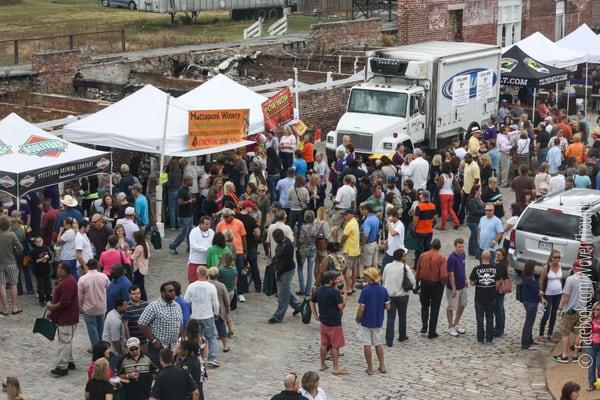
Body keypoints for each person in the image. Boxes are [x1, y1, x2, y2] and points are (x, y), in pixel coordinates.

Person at [553, 260, 594, 363]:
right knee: (578, 333)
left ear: (574, 267)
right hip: (582, 311)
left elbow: (566, 296)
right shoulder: (588, 280)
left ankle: (564, 356)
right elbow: (592, 296)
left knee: (565, 333)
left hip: (570, 311)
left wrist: (560, 309)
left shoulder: (570, 279)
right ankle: (575, 356)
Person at [138, 282, 184, 366]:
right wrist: (154, 340)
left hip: (173, 347)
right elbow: (141, 324)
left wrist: (180, 342)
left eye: (174, 290)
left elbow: (180, 324)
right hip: (158, 347)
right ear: (163, 293)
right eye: (170, 291)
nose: (173, 293)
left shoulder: (177, 306)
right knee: (158, 371)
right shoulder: (153, 306)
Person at [310, 270, 347, 375]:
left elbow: (312, 301)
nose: (338, 279)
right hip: (334, 323)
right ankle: (335, 368)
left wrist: (315, 314)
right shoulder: (334, 292)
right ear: (331, 281)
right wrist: (344, 300)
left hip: (323, 322)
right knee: (335, 346)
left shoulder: (319, 289)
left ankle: (322, 364)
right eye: (336, 278)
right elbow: (340, 307)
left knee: (324, 344)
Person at [47, 262, 79, 376]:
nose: (57, 270)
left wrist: (52, 307)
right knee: (67, 340)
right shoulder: (67, 280)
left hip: (67, 317)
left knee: (64, 341)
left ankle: (62, 366)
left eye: (59, 269)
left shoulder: (68, 282)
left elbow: (65, 302)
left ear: (64, 270)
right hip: (66, 317)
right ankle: (69, 361)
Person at [356, 267, 390, 375]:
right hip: (378, 321)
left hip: (366, 321)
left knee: (367, 345)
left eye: (365, 276)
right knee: (378, 344)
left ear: (370, 278)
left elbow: (361, 308)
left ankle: (370, 368)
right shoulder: (383, 290)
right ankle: (382, 365)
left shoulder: (365, 291)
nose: (364, 277)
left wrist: (357, 318)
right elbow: (388, 306)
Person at [184, 265, 220, 368]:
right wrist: (216, 313)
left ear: (197, 274)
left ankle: (198, 355)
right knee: (211, 336)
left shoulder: (192, 286)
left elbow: (186, 300)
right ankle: (212, 358)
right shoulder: (211, 287)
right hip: (208, 315)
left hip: (195, 315)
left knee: (196, 336)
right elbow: (216, 303)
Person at [382, 248, 415, 346]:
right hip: (402, 295)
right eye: (404, 255)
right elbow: (412, 281)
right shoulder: (405, 267)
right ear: (401, 257)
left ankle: (389, 339)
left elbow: (383, 279)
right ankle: (402, 335)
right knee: (402, 316)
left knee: (390, 318)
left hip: (390, 296)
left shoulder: (387, 266)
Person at [416, 239, 447, 339]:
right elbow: (443, 275)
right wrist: (443, 284)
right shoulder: (441, 258)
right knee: (435, 308)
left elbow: (418, 270)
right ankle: (432, 331)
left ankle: (424, 326)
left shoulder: (423, 255)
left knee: (424, 306)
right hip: (436, 284)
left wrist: (417, 282)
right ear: (440, 247)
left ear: (431, 246)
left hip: (424, 283)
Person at [269, 228, 302, 324]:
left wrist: (279, 273)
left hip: (286, 271)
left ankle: (278, 316)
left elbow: (287, 263)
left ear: (280, 237)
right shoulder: (282, 243)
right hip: (282, 269)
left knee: (283, 295)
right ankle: (299, 306)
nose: (275, 240)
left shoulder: (288, 246)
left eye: (276, 238)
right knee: (286, 291)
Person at [216, 208, 248, 302]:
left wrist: (245, 251)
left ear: (232, 215)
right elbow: (217, 238)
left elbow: (243, 237)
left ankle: (240, 292)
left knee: (239, 272)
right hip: (225, 253)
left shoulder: (239, 223)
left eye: (227, 217)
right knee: (225, 273)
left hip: (238, 251)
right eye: (224, 217)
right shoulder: (220, 224)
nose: (225, 219)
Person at [78, 259, 109, 348]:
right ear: (97, 266)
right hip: (101, 307)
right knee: (101, 328)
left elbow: (80, 296)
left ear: (87, 266)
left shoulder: (82, 279)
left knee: (92, 329)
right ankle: (102, 346)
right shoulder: (104, 277)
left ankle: (96, 347)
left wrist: (80, 307)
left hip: (89, 308)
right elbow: (108, 289)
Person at [469, 251, 497, 343]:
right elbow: (499, 281)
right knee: (490, 318)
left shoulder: (476, 269)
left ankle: (480, 337)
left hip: (479, 297)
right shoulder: (494, 268)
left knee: (479, 318)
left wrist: (478, 281)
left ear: (481, 257)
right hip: (491, 297)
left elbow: (472, 283)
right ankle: (489, 337)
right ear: (489, 258)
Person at [0, 214, 23, 315]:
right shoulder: (11, 234)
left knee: (1, 285)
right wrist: (14, 250)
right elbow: (21, 248)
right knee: (14, 284)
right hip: (11, 263)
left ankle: (4, 309)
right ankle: (14, 307)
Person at [539, 250, 564, 341]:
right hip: (548, 294)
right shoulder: (546, 267)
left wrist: (561, 290)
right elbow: (541, 281)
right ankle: (541, 333)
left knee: (554, 314)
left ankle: (550, 333)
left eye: (559, 257)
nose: (557, 259)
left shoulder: (560, 266)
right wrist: (541, 293)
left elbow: (560, 279)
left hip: (558, 293)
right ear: (551, 258)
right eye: (555, 257)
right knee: (546, 314)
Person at [446, 238, 467, 337]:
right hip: (453, 287)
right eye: (459, 247)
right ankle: (450, 326)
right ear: (455, 246)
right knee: (451, 306)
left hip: (462, 286)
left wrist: (465, 279)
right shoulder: (451, 258)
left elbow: (463, 268)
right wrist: (453, 288)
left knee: (462, 305)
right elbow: (451, 274)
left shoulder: (463, 255)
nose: (461, 249)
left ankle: (456, 323)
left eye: (462, 246)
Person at [169, 176, 196, 255]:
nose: (192, 182)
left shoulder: (187, 190)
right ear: (186, 181)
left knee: (190, 232)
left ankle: (189, 247)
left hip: (189, 214)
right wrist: (190, 201)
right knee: (184, 232)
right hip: (184, 216)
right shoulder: (181, 191)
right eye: (191, 180)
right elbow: (179, 202)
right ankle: (173, 245)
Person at [208, 266, 231, 352]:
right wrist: (228, 310)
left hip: (208, 311)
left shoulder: (207, 285)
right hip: (219, 311)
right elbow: (226, 300)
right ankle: (225, 346)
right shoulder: (221, 286)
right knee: (221, 328)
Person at [102, 297, 128, 369]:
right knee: (114, 370)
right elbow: (115, 340)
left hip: (109, 349)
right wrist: (120, 353)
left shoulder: (111, 313)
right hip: (113, 352)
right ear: (119, 307)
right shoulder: (115, 320)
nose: (127, 307)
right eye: (125, 306)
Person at [188, 216, 214, 284]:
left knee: (206, 282)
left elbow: (213, 244)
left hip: (206, 261)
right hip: (195, 261)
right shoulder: (194, 232)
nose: (209, 226)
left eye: (209, 224)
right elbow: (193, 246)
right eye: (207, 224)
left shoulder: (211, 232)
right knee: (193, 281)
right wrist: (207, 249)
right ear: (201, 224)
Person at [297, 210, 317, 296]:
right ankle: (308, 290)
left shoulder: (303, 227)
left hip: (304, 249)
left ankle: (302, 288)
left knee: (300, 268)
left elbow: (301, 240)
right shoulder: (315, 226)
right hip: (312, 249)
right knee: (310, 270)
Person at [124, 285, 148, 352]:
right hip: (134, 342)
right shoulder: (126, 308)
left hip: (145, 340)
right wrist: (129, 340)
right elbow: (125, 326)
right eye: (133, 294)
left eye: (138, 293)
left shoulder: (146, 305)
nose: (136, 295)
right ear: (129, 295)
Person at [437, 162, 460, 230]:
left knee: (444, 210)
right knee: (450, 209)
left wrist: (436, 181)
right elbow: (456, 184)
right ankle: (457, 222)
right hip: (451, 194)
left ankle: (443, 226)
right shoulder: (452, 175)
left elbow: (440, 186)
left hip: (443, 194)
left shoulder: (442, 176)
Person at [31, 235, 52, 306]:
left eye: (40, 241)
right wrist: (42, 259)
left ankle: (48, 298)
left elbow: (50, 257)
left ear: (42, 241)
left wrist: (47, 258)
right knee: (41, 286)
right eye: (38, 242)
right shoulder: (34, 251)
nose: (39, 243)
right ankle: (42, 300)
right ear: (35, 243)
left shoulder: (45, 248)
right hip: (39, 271)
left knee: (48, 285)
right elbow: (35, 261)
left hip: (46, 269)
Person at [493, 249, 509, 338]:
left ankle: (499, 329)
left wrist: (494, 290)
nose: (497, 256)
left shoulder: (499, 266)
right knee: (500, 309)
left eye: (499, 255)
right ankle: (500, 328)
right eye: (496, 254)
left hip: (498, 290)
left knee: (498, 309)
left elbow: (498, 281)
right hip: (501, 291)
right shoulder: (503, 265)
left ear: (503, 256)